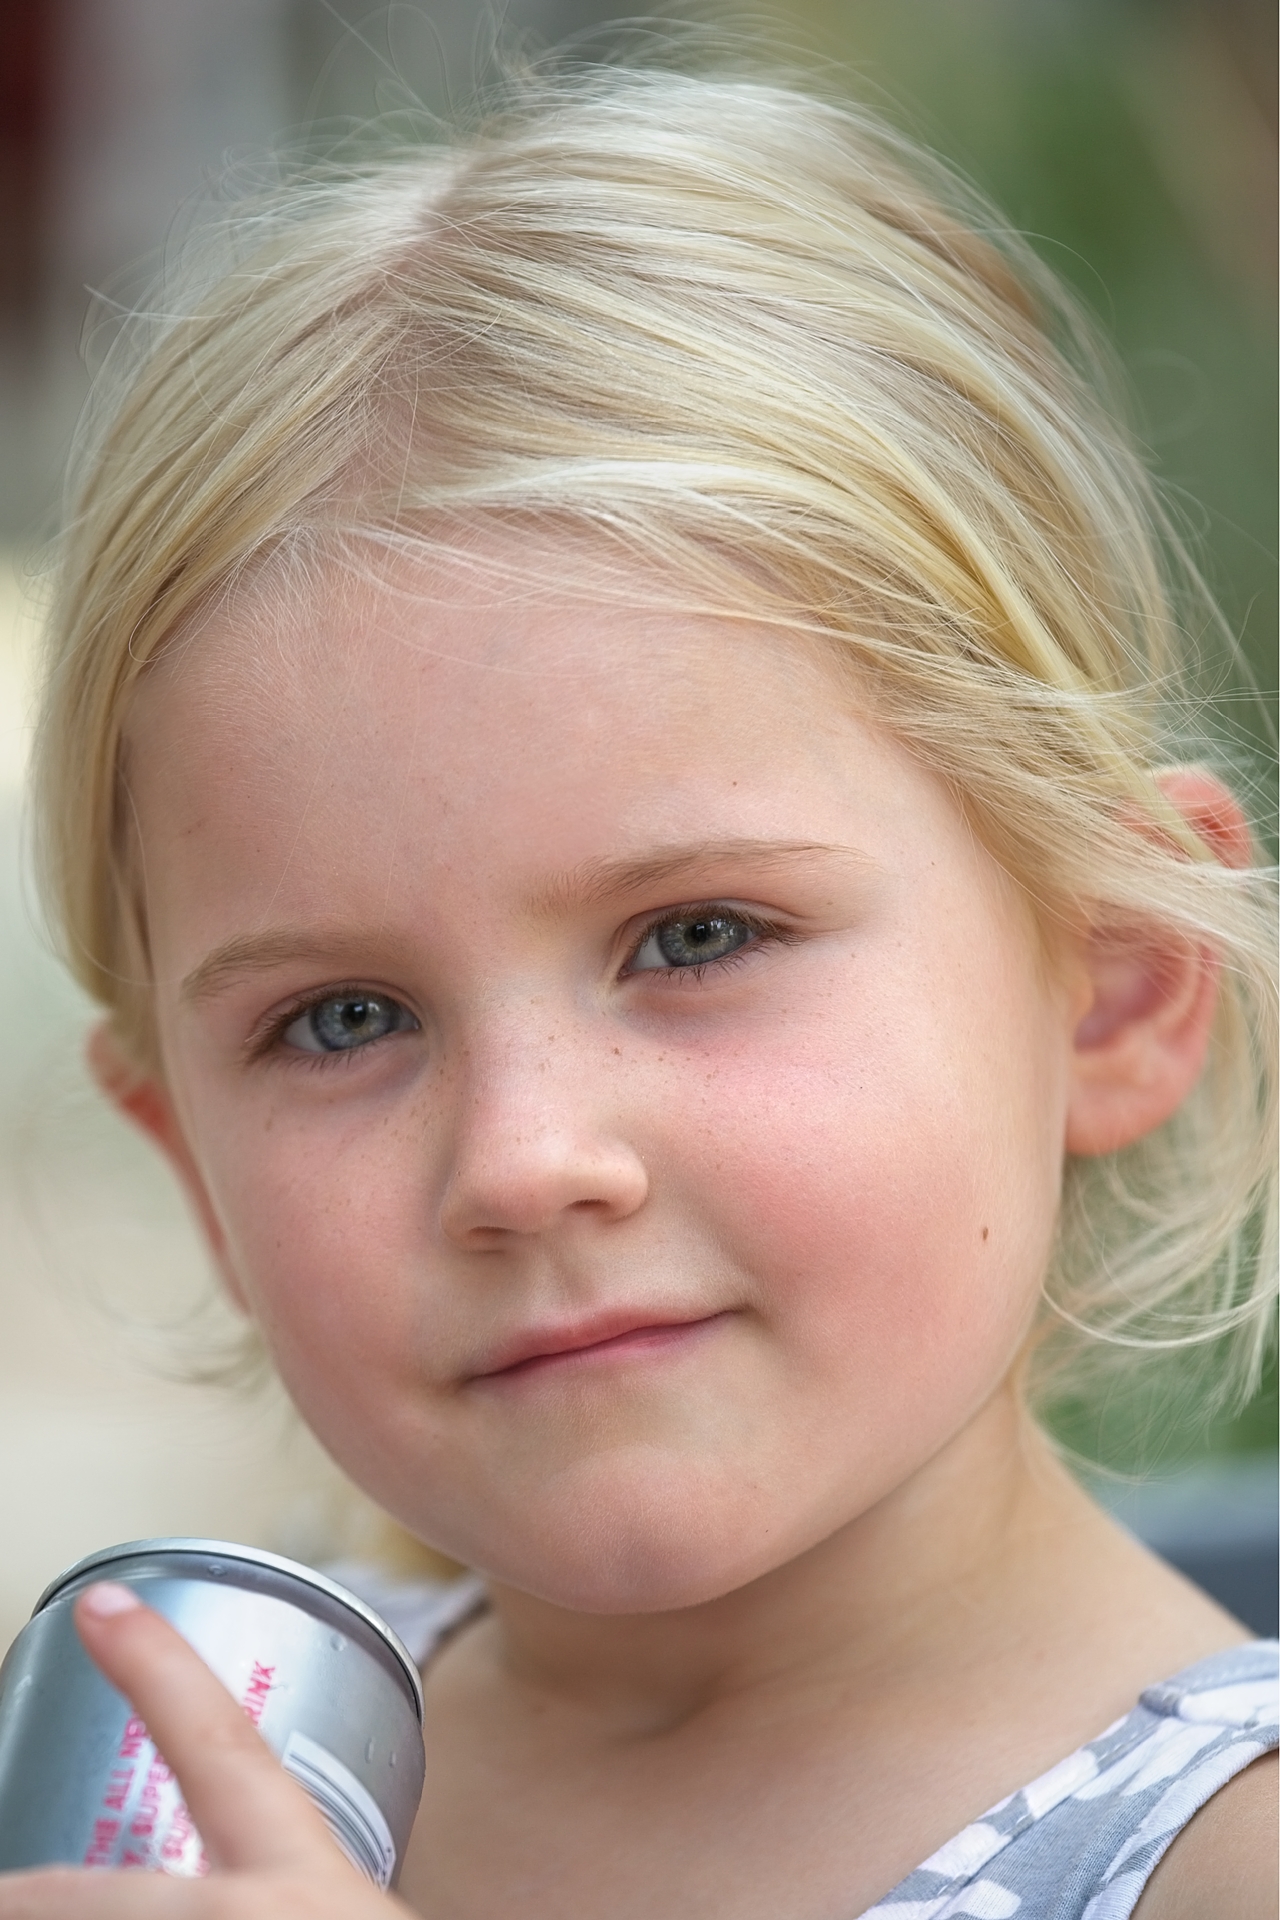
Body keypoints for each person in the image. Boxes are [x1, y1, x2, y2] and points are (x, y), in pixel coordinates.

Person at [6, 58, 1276, 1919]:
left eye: (697, 937)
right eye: (343, 1021)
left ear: (1111, 992)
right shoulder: (177, 1809)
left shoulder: (1228, 1862)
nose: (524, 1162)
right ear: (194, 1162)